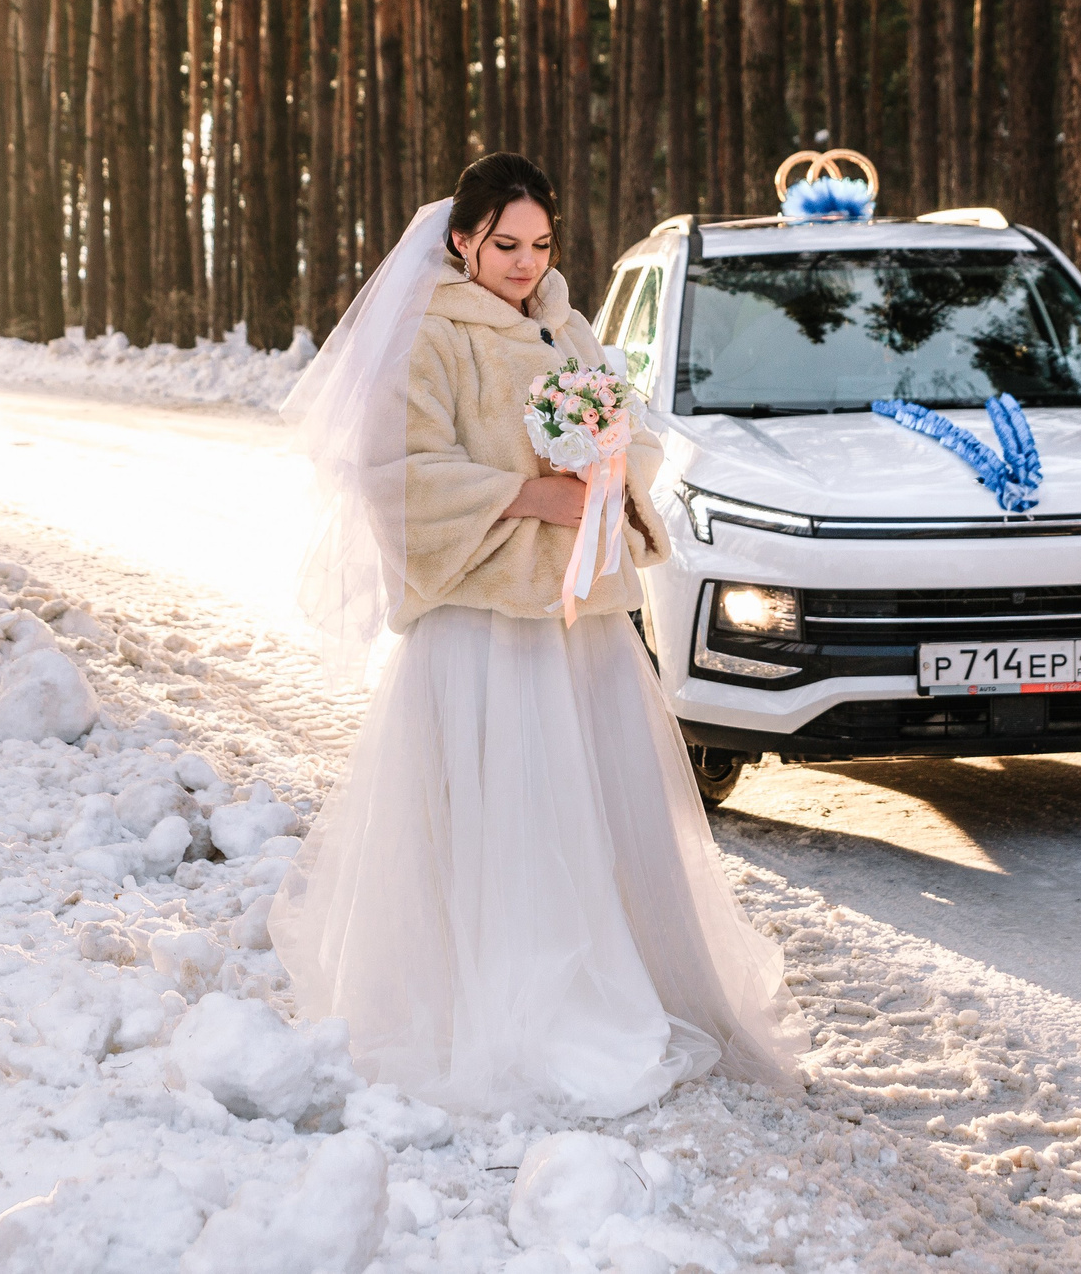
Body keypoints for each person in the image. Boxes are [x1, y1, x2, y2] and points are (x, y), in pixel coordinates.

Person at [270, 152, 804, 1119]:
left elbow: (630, 429)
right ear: (463, 239)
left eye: (541, 243)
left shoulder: (567, 325)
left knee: (589, 813)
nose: (524, 263)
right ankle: (501, 1004)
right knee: (504, 817)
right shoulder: (430, 336)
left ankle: (614, 981)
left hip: (578, 627)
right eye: (504, 244)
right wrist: (527, 491)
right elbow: (396, 473)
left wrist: (610, 468)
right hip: (483, 633)